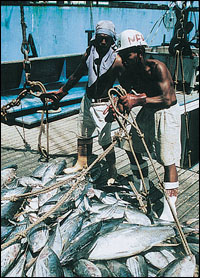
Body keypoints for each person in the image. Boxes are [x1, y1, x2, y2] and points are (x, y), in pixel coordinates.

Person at [43, 20, 124, 184]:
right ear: (95, 37)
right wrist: (61, 93)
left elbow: (126, 84)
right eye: (100, 38)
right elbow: (76, 75)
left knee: (104, 139)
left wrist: (118, 101)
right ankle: (81, 162)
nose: (103, 42)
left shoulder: (117, 60)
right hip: (87, 100)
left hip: (104, 104)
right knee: (83, 133)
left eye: (106, 39)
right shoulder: (89, 54)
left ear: (112, 40)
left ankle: (112, 168)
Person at [113, 29, 182, 222]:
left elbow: (168, 98)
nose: (124, 59)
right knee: (130, 146)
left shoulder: (157, 67)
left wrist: (138, 99)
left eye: (128, 55)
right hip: (147, 110)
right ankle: (143, 186)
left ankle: (171, 209)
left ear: (140, 52)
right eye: (123, 55)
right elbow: (125, 97)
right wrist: (117, 107)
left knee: (168, 159)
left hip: (166, 112)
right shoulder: (128, 73)